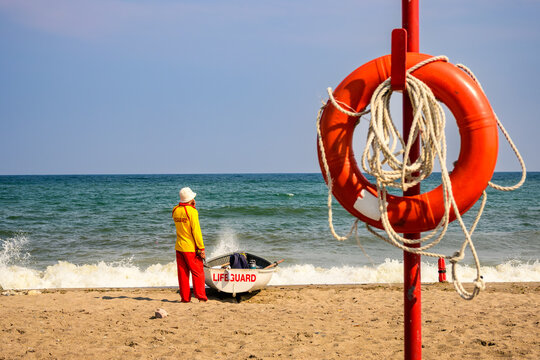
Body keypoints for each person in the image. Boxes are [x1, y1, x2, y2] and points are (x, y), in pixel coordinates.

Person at [172, 187, 207, 302]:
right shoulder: (192, 212)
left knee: (183, 274)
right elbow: (196, 231)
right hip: (190, 247)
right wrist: (201, 248)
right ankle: (201, 297)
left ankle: (185, 298)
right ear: (191, 199)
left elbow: (183, 225)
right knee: (198, 273)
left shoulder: (175, 210)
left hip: (179, 246)